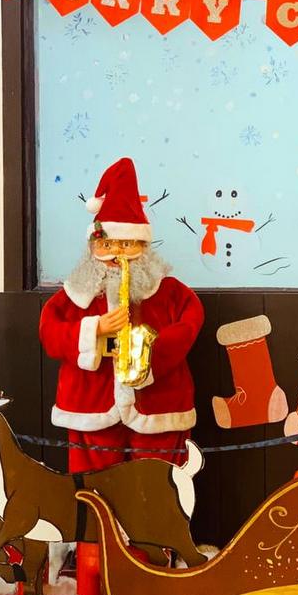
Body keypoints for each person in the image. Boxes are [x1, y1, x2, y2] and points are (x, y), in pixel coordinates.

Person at [39, 157, 203, 472]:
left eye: (127, 244)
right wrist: (93, 330)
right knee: (95, 483)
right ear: (93, 246)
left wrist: (146, 349)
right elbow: (50, 330)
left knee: (158, 483)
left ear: (143, 245)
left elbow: (189, 323)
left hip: (158, 403)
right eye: (107, 244)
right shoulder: (76, 292)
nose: (116, 253)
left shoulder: (168, 290)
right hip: (90, 403)